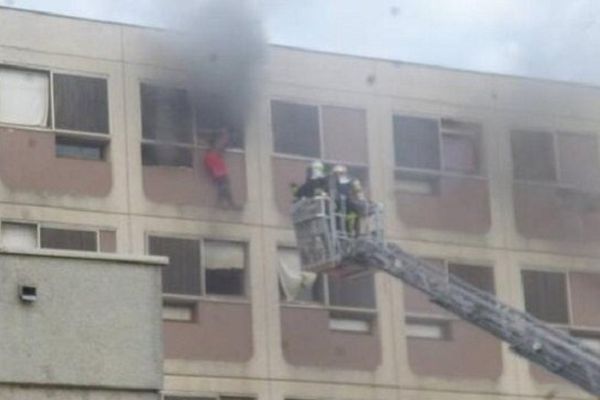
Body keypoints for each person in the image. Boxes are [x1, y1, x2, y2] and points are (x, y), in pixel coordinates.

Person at [203, 129, 237, 209]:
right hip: (214, 160)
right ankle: (226, 203)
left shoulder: (217, 142)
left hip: (214, 160)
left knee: (223, 183)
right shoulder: (219, 141)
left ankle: (223, 202)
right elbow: (218, 148)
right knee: (224, 182)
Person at [331, 164, 368, 236]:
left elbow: (359, 191)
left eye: (340, 173)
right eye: (336, 173)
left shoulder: (352, 180)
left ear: (344, 173)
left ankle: (354, 234)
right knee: (339, 222)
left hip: (351, 206)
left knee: (353, 221)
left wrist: (362, 200)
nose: (338, 175)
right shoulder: (334, 183)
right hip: (339, 207)